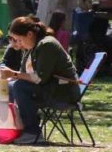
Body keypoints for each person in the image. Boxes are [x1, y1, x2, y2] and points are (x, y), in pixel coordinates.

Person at [4, 16, 79, 144]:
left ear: (29, 34)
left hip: (62, 93)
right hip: (49, 88)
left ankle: (33, 132)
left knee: (19, 86)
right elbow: (25, 74)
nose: (18, 44)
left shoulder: (47, 45)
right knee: (10, 86)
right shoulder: (32, 48)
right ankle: (13, 127)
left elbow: (39, 78)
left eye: (19, 40)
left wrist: (14, 74)